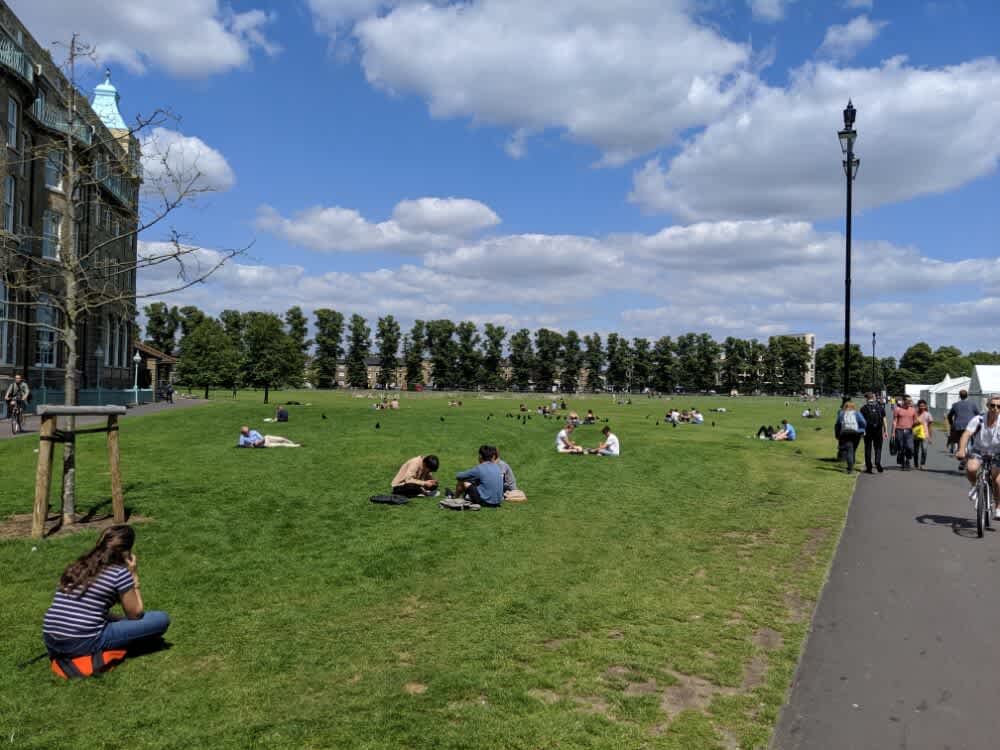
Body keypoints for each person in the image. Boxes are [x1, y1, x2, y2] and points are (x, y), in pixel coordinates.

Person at [42, 525, 170, 661]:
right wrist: (134, 576)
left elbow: (86, 608)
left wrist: (119, 619)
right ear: (126, 551)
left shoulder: (78, 566)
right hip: (81, 643)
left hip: (51, 639)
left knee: (118, 621)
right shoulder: (119, 573)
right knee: (160, 619)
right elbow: (136, 614)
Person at [957, 394, 1000, 520]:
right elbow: (966, 434)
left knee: (998, 481)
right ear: (987, 406)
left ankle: (998, 507)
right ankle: (975, 485)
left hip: (997, 453)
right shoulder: (979, 419)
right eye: (992, 405)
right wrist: (961, 450)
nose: (995, 409)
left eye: (999, 406)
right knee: (971, 469)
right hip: (979, 450)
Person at [947, 389, 980, 461]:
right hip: (970, 425)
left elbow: (949, 415)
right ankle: (966, 457)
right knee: (970, 442)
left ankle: (962, 455)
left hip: (958, 426)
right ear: (967, 395)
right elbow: (978, 414)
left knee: (960, 442)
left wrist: (952, 423)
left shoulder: (955, 405)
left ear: (959, 396)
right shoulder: (972, 404)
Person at [835, 401, 867, 473]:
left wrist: (837, 435)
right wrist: (861, 429)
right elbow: (864, 422)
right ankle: (851, 465)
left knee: (849, 450)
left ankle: (850, 467)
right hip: (855, 433)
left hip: (845, 433)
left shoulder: (841, 414)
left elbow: (837, 425)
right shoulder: (857, 413)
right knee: (853, 450)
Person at [859, 392, 887, 473]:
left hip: (867, 431)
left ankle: (869, 467)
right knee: (878, 447)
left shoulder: (863, 408)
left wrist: (862, 431)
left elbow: (861, 421)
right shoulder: (880, 407)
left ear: (866, 398)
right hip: (878, 430)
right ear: (874, 398)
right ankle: (877, 462)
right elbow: (884, 420)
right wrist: (885, 431)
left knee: (868, 448)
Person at [892, 395, 917, 470]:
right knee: (901, 447)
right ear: (904, 401)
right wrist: (893, 432)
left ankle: (908, 459)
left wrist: (916, 426)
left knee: (909, 447)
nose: (910, 402)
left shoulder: (913, 410)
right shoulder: (897, 409)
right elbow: (894, 421)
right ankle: (903, 462)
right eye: (908, 401)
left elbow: (915, 420)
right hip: (899, 430)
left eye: (910, 401)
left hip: (909, 431)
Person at [913, 399, 934, 470]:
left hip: (925, 434)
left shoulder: (928, 414)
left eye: (923, 406)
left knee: (924, 450)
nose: (922, 407)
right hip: (916, 434)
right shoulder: (915, 414)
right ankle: (915, 463)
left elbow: (930, 426)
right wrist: (916, 423)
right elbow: (911, 424)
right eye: (920, 406)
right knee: (915, 450)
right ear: (918, 406)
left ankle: (922, 464)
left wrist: (930, 437)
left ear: (925, 406)